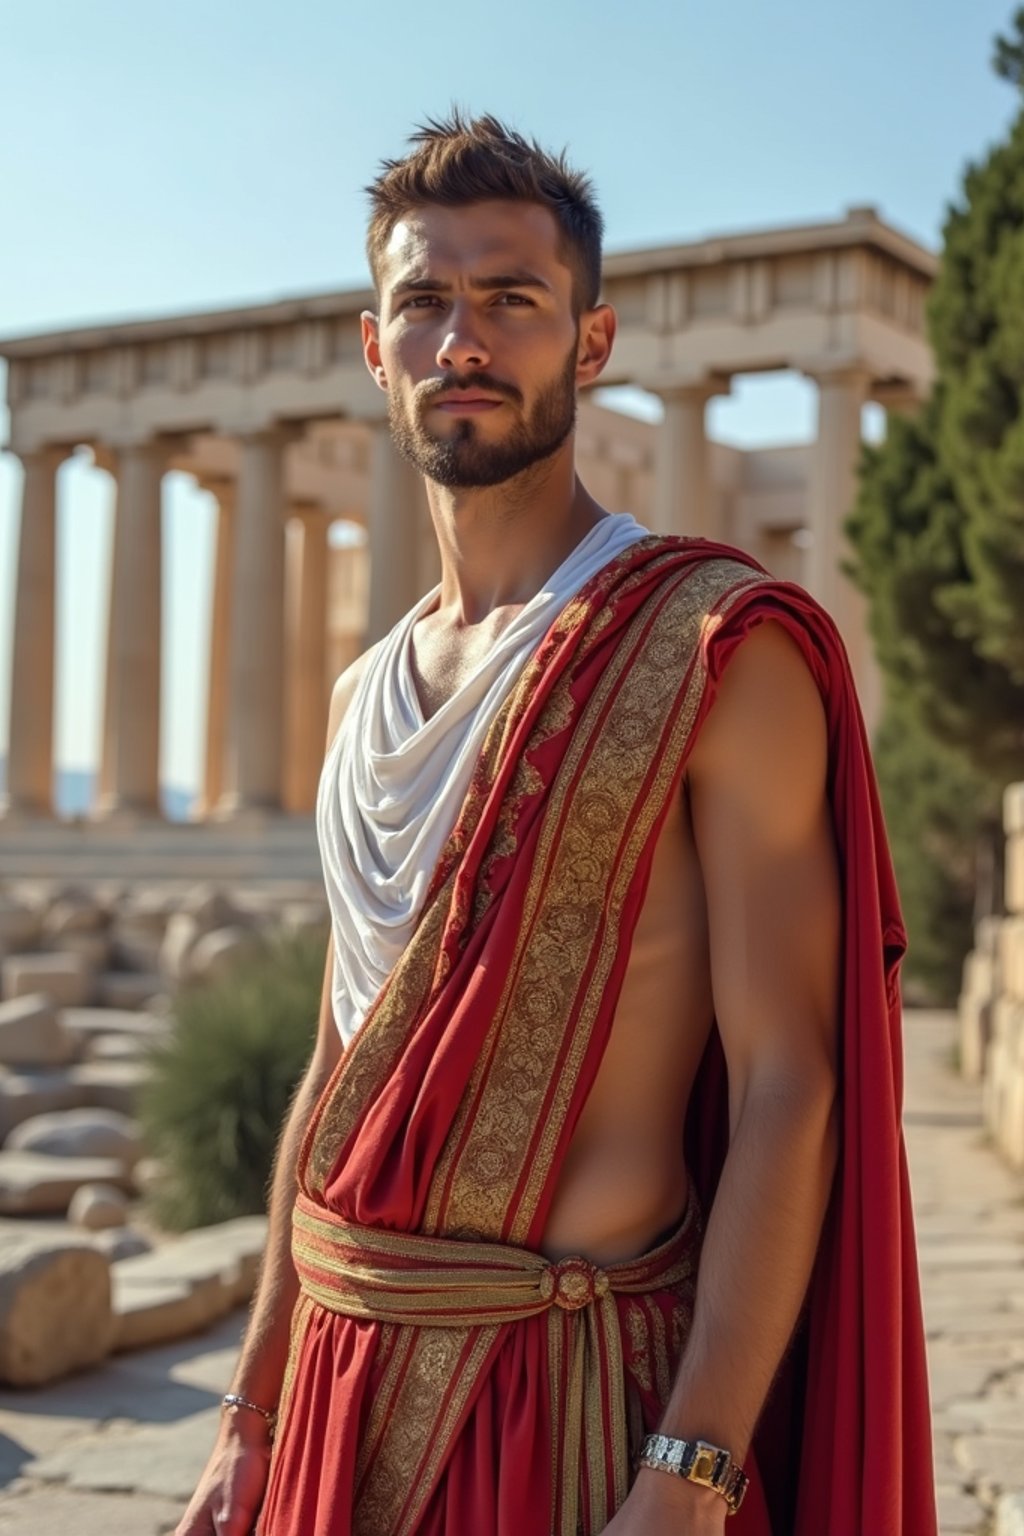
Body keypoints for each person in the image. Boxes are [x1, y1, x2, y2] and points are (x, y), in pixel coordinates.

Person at [177, 113, 937, 1536]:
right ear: (374, 347)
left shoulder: (713, 645)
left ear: (590, 344)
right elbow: (344, 1058)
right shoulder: (360, 695)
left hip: (565, 1404)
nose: (464, 337)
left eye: (512, 299)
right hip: (337, 1386)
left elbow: (793, 1075)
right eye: (426, 301)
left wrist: (694, 1468)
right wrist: (251, 1410)